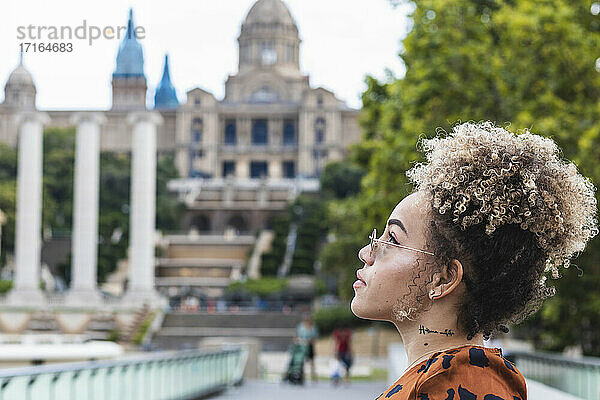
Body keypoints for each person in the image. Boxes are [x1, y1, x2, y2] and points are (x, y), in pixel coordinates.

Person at [351, 121, 598, 399]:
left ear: (443, 279)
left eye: (392, 239)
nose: (367, 252)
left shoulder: (457, 389)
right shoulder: (445, 380)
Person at [296, 314, 319, 382]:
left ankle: (313, 377)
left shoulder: (313, 328)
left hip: (310, 346)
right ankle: (302, 377)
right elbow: (298, 336)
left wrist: (310, 341)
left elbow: (315, 337)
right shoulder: (300, 327)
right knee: (302, 362)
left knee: (312, 362)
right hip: (302, 346)